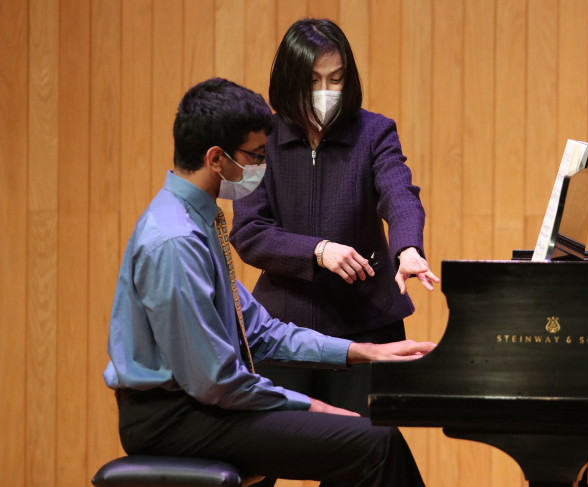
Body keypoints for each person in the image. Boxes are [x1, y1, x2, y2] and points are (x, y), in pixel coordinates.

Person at [102, 77, 435, 487]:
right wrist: (312, 406)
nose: (262, 166)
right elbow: (215, 380)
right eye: (257, 155)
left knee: (372, 436)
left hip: (199, 408)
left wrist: (363, 351)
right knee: (376, 444)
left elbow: (259, 330)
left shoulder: (195, 221)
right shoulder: (174, 239)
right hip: (176, 418)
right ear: (217, 159)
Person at [230, 18, 440, 416]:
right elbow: (250, 230)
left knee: (365, 456)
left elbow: (399, 194)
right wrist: (318, 250)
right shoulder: (262, 140)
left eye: (337, 79)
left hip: (366, 322)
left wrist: (408, 248)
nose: (326, 93)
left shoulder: (374, 133)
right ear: (290, 81)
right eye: (313, 81)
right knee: (266, 455)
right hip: (281, 328)